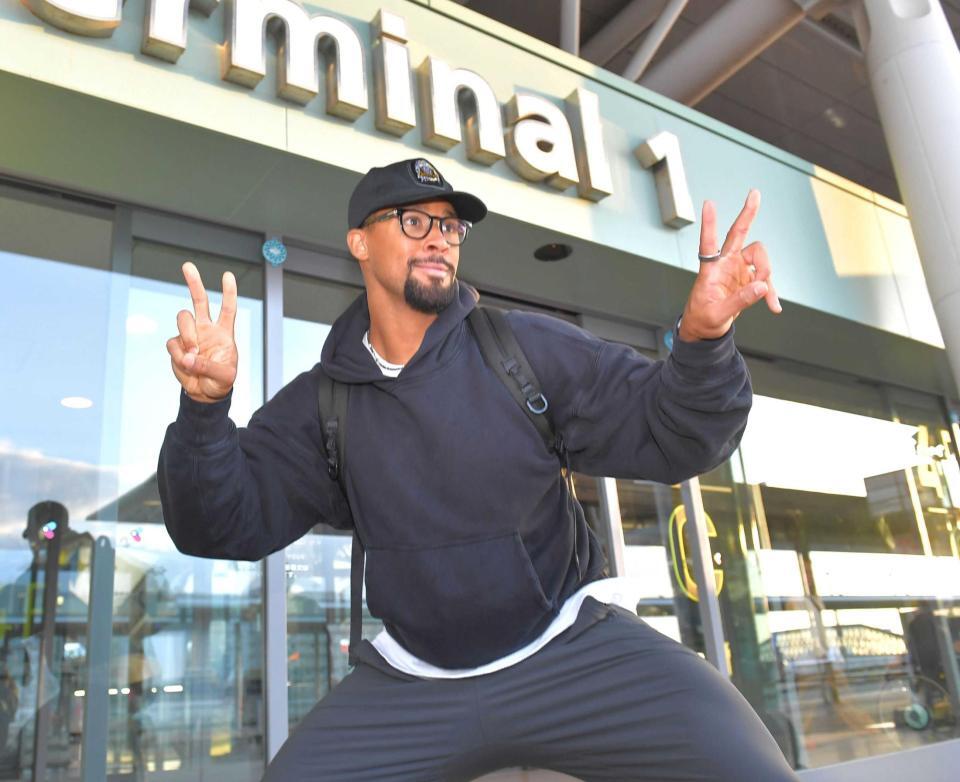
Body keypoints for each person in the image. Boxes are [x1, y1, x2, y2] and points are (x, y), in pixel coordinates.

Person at [158, 157, 797, 781]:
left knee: (747, 768)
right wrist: (205, 411)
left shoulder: (521, 351)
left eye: (451, 225)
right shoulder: (323, 402)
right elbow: (219, 523)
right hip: (414, 686)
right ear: (360, 243)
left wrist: (703, 340)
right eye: (414, 221)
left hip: (573, 656)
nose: (439, 238)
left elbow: (676, 433)